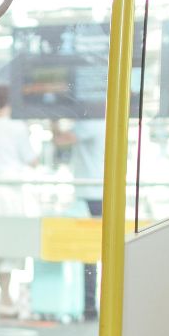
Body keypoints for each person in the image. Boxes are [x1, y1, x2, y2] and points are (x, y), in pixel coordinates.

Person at [0, 85, 38, 318]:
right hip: (13, 192)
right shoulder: (17, 126)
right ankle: (7, 298)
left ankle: (4, 296)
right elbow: (31, 159)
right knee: (12, 244)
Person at [52, 117, 104, 321]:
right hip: (96, 195)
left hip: (91, 197)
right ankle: (90, 305)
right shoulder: (101, 122)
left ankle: (89, 306)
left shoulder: (92, 123)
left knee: (89, 253)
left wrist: (54, 121)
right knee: (92, 253)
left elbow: (62, 139)